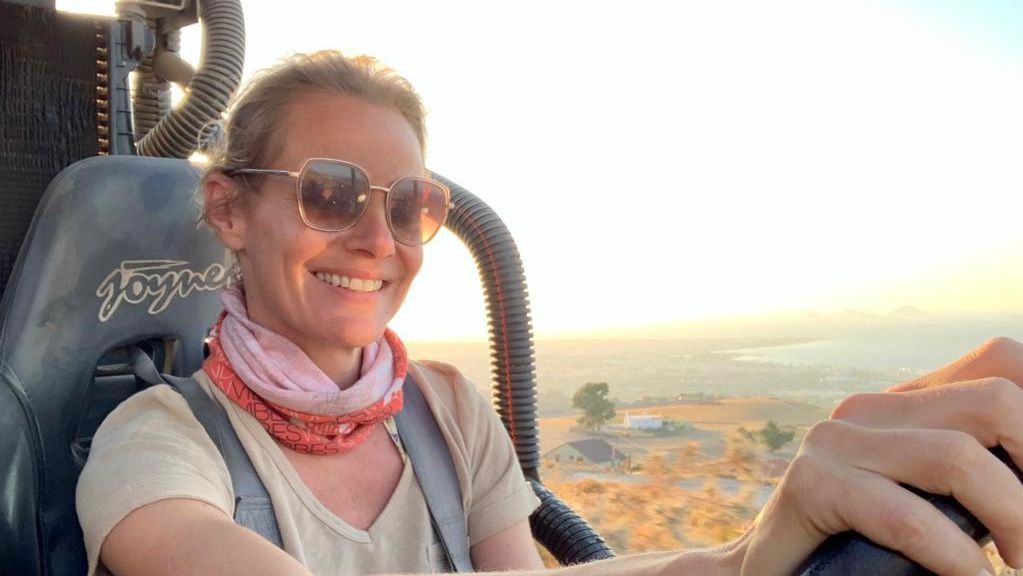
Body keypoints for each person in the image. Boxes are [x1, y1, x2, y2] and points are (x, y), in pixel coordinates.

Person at [76, 50, 1023, 576]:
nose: (375, 238)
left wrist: (753, 556)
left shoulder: (444, 409)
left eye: (409, 205)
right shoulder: (157, 443)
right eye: (330, 193)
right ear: (230, 210)